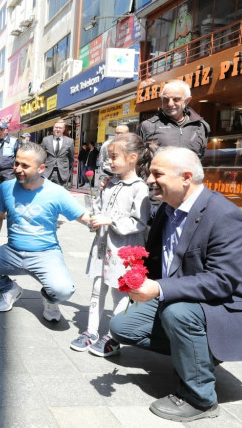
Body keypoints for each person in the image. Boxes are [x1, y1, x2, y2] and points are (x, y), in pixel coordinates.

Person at [109, 147, 242, 422]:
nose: (149, 179)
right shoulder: (167, 209)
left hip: (228, 305)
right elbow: (158, 260)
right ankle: (195, 355)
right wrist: (136, 278)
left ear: (186, 177)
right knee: (122, 327)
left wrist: (159, 289)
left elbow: (222, 280)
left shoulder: (224, 215)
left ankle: (200, 398)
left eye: (157, 174)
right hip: (186, 297)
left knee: (178, 313)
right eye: (150, 173)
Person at [0, 142, 90, 322]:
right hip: (12, 253)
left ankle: (50, 299)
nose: (17, 169)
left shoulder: (57, 193)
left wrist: (103, 221)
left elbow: (83, 216)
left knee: (63, 290)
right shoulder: (6, 188)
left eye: (25, 166)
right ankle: (9, 289)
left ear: (41, 168)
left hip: (45, 254)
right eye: (16, 163)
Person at [70, 133, 152, 357]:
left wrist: (111, 221)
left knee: (120, 293)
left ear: (132, 158)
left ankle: (114, 337)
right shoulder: (110, 183)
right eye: (109, 157)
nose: (109, 161)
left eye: (114, 156)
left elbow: (140, 221)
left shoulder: (139, 187)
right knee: (97, 289)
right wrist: (96, 213)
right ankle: (91, 331)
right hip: (103, 246)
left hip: (124, 250)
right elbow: (99, 208)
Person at [137, 80, 209, 158]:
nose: (170, 104)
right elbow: (137, 159)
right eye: (166, 99)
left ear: (187, 100)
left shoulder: (201, 126)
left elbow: (201, 158)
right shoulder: (148, 126)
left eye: (176, 99)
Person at [41, 120, 74, 187]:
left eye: (60, 128)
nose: (58, 129)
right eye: (56, 127)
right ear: (53, 128)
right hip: (47, 172)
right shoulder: (46, 140)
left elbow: (71, 158)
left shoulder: (70, 141)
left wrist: (64, 165)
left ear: (64, 129)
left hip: (62, 173)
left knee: (60, 192)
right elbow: (41, 155)